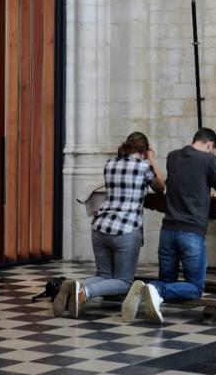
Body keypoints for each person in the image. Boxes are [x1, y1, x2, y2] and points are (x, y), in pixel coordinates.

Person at [121, 128, 216, 324]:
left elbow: (172, 184)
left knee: (167, 280)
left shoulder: (173, 157)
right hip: (191, 231)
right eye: (213, 150)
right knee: (196, 287)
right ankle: (154, 290)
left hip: (168, 230)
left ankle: (150, 289)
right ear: (210, 145)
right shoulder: (208, 160)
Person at [53, 131, 165, 318]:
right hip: (126, 230)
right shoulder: (143, 166)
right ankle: (84, 293)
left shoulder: (110, 164)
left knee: (104, 275)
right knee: (124, 281)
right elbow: (160, 187)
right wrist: (152, 159)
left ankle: (75, 287)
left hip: (100, 226)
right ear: (144, 150)